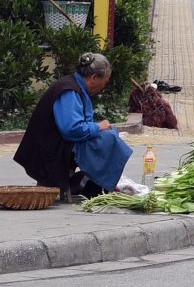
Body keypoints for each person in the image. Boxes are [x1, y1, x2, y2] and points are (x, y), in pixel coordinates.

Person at [14, 52, 138, 199]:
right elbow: (71, 130)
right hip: (51, 149)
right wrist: (98, 127)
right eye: (104, 82)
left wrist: (99, 127)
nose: (103, 87)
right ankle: (99, 184)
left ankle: (98, 182)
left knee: (111, 133)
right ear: (93, 78)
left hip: (59, 143)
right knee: (109, 138)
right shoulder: (69, 91)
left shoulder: (74, 85)